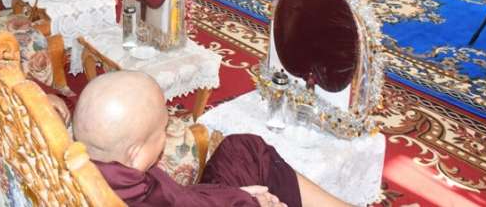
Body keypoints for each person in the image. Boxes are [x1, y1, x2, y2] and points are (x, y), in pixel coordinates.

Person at [73, 71, 347, 207]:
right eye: (162, 130)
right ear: (135, 154)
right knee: (255, 155)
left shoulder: (87, 168)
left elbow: (179, 199)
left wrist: (236, 194)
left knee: (241, 148)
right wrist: (250, 202)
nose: (167, 135)